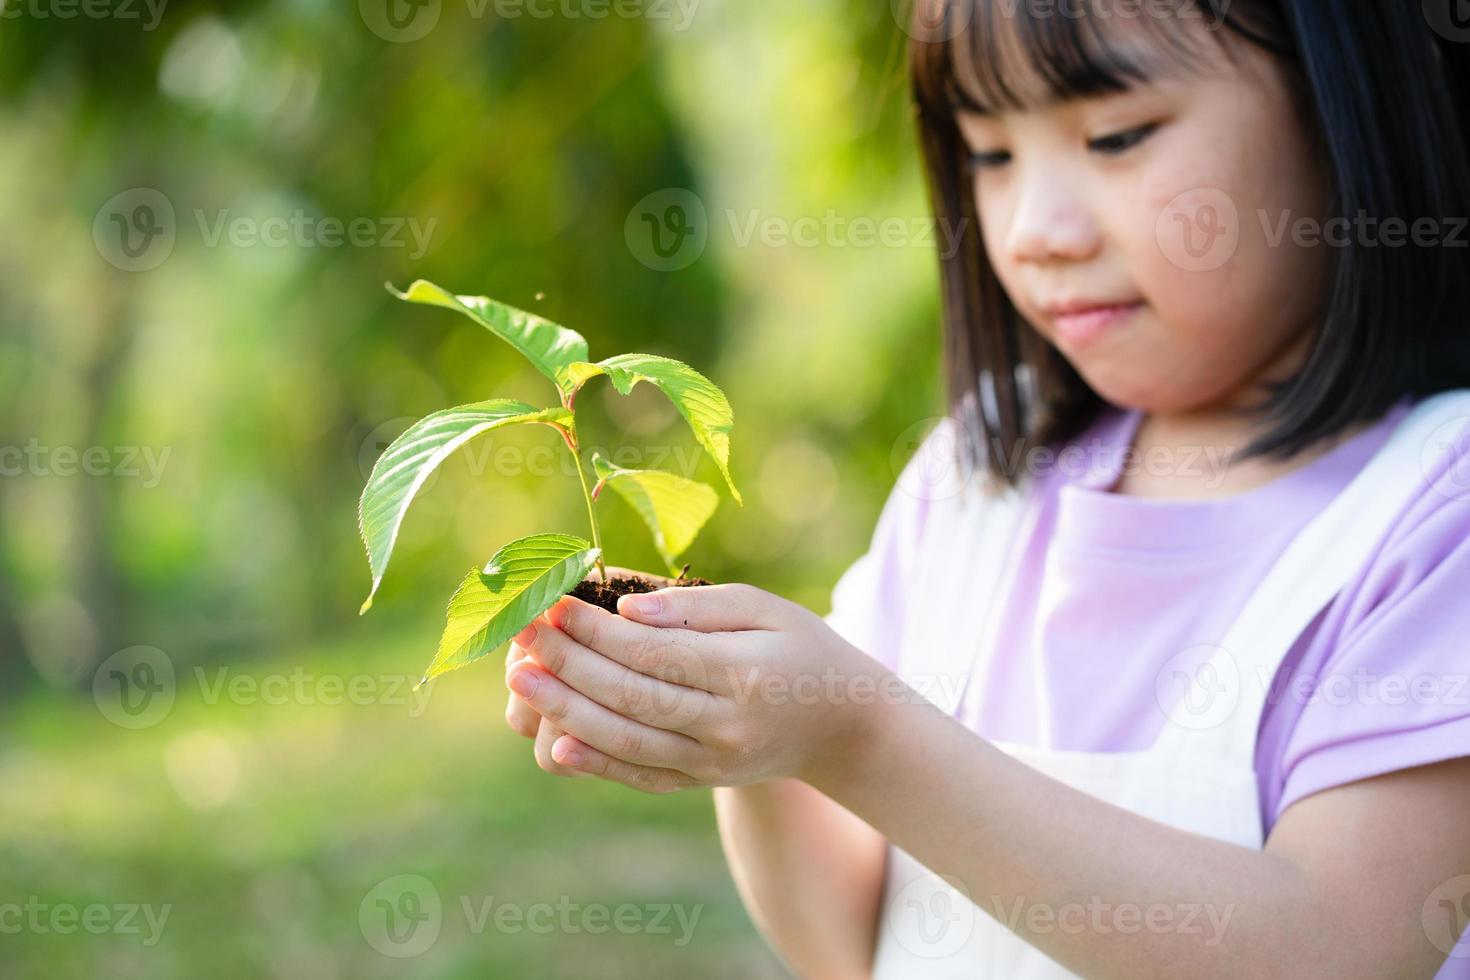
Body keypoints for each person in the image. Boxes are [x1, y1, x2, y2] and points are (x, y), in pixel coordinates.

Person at [503, 1, 1470, 975]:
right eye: (989, 153)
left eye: (1115, 135)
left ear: (1341, 106)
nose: (1037, 230)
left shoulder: (1437, 511)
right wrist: (738, 735)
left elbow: (1334, 945)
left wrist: (856, 734)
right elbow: (851, 942)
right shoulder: (975, 478)